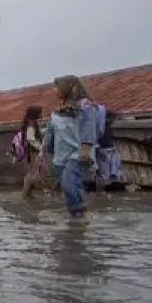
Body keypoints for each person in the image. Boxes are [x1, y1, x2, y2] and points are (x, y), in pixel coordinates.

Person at [43, 75, 99, 218]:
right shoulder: (58, 111)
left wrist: (86, 146)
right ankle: (79, 216)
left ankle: (77, 214)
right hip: (62, 155)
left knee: (68, 184)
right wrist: (43, 149)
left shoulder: (85, 107)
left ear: (67, 87)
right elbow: (50, 132)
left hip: (78, 152)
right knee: (70, 184)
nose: (55, 90)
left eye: (57, 86)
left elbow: (89, 126)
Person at [18, 105, 47, 200]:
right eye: (40, 112)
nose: (41, 114)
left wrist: (49, 129)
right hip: (32, 152)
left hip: (31, 152)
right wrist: (40, 147)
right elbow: (30, 138)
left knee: (33, 173)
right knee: (32, 174)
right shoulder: (31, 124)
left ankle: (28, 194)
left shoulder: (32, 123)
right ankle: (24, 195)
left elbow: (36, 133)